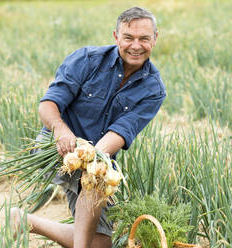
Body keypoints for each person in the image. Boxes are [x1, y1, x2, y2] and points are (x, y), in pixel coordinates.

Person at [11, 6, 166, 248]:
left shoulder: (153, 89)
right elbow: (48, 105)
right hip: (55, 148)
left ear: (155, 39)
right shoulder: (86, 60)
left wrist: (95, 158)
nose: (136, 45)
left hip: (97, 153)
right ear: (116, 37)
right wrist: (61, 130)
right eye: (128, 38)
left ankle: (26, 222)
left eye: (144, 38)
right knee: (96, 179)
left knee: (101, 243)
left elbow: (121, 132)